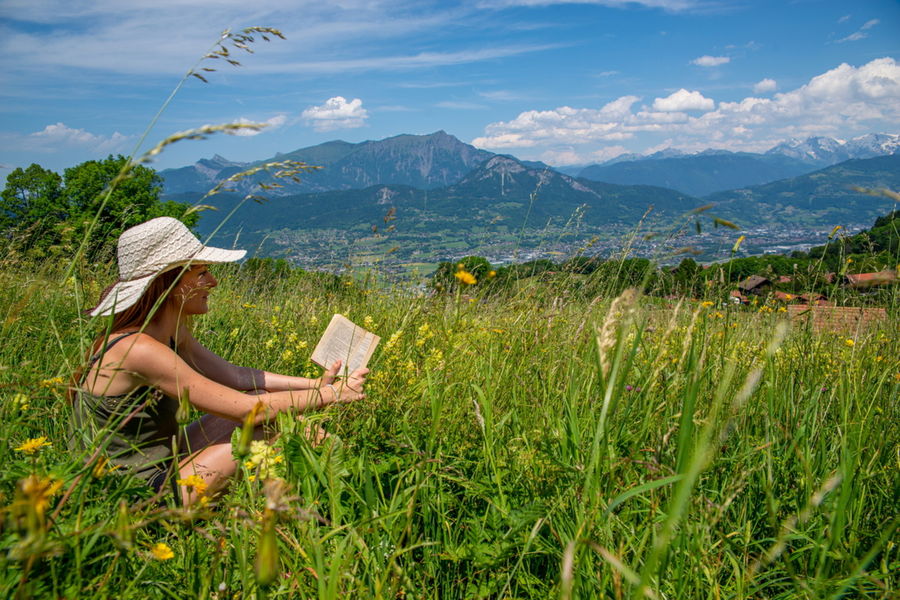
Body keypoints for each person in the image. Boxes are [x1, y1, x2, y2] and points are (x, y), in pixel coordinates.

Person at [74, 217, 367, 506]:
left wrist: (316, 384)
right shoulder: (138, 349)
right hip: (134, 494)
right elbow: (249, 413)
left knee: (266, 400)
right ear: (171, 283)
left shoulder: (170, 333)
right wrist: (332, 394)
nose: (213, 282)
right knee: (265, 426)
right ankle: (335, 496)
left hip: (164, 465)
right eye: (201, 273)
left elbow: (238, 377)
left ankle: (336, 486)